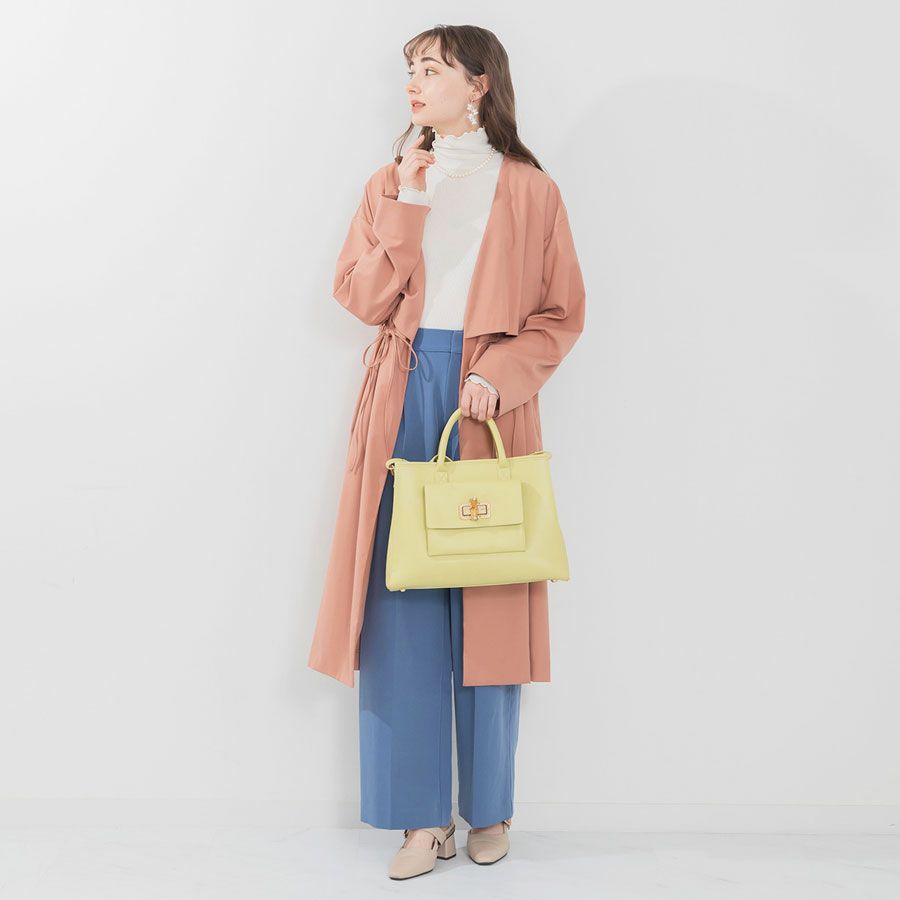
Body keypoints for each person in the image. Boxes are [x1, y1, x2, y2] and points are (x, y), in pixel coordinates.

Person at [312, 24, 586, 880]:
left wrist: (499, 374)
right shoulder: (390, 182)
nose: (414, 82)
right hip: (404, 390)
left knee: (492, 593)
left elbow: (561, 314)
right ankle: (418, 818)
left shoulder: (532, 190)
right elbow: (361, 298)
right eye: (410, 69)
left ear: (479, 84)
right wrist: (407, 203)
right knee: (402, 601)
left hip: (487, 398)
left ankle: (490, 808)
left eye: (431, 68)